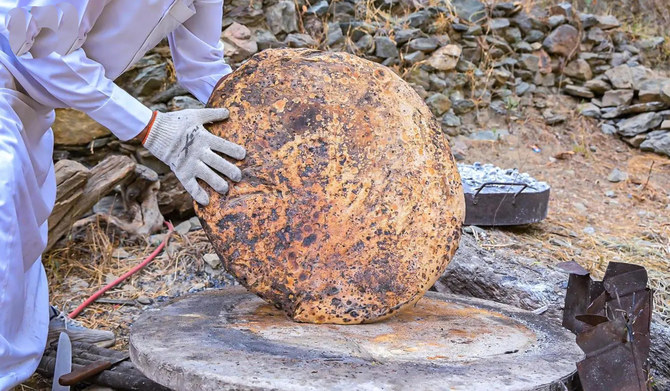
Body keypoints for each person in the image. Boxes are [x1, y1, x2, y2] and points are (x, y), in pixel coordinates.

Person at [0, 1, 246, 388]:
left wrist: (264, 117)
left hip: (33, 99)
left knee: (26, 230)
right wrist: (151, 128)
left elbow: (202, 64)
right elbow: (40, 49)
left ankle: (31, 328)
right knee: (3, 210)